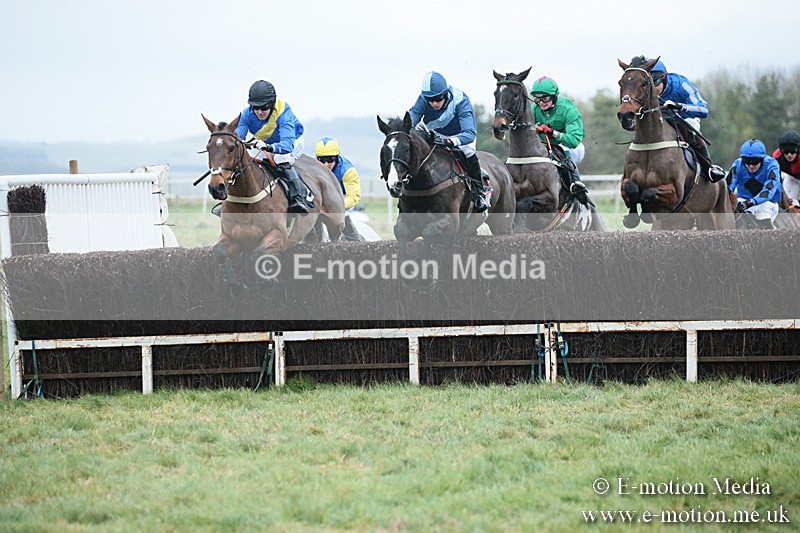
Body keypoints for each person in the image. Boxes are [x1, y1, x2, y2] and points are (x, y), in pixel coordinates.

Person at [408, 71, 491, 212]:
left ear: (445, 93)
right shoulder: (424, 98)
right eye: (430, 100)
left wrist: (448, 141)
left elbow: (469, 134)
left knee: (468, 151)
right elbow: (414, 114)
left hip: (460, 136)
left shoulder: (461, 101)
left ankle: (479, 192)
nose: (434, 103)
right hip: (434, 133)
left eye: (438, 99)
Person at [235, 80, 313, 213]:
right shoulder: (247, 114)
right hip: (266, 143)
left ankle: (298, 198)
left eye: (264, 108)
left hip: (293, 142)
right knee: (247, 160)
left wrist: (268, 147)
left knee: (280, 159)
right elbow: (238, 137)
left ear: (271, 104)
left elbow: (287, 145)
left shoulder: (284, 112)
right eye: (255, 107)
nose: (259, 112)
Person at [644, 57, 726, 183]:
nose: (654, 90)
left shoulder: (682, 84)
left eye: (656, 84)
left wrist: (680, 106)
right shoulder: (644, 90)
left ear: (664, 78)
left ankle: (708, 167)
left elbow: (704, 110)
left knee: (691, 128)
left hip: (685, 119)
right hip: (659, 122)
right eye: (650, 86)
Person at [529, 76, 590, 205]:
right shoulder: (534, 109)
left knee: (564, 148)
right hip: (544, 147)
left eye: (545, 98)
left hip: (573, 147)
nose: (541, 102)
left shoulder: (568, 109)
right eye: (537, 99)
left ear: (554, 96)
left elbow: (573, 141)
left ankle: (576, 183)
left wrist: (553, 133)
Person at [315, 137, 365, 241]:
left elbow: (354, 196)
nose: (326, 164)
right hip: (321, 200)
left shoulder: (347, 171)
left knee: (343, 216)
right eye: (322, 160)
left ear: (337, 157)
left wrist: (333, 207)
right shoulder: (313, 167)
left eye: (330, 159)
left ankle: (356, 242)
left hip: (342, 199)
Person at [728, 139, 782, 228]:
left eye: (755, 162)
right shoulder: (737, 164)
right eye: (747, 162)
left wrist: (750, 202)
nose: (751, 166)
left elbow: (768, 190)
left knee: (762, 211)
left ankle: (770, 238)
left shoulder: (772, 165)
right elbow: (729, 186)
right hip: (744, 200)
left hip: (768, 203)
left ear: (762, 159)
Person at [772, 129, 800, 208]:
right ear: (781, 150)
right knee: (788, 202)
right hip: (792, 178)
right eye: (786, 152)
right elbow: (776, 180)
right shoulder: (776, 157)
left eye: (792, 151)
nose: (789, 155)